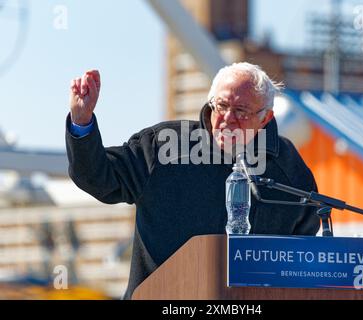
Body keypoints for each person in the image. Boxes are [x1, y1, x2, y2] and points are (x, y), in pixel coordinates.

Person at [66, 62, 320, 299]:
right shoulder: (164, 145)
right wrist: (82, 122)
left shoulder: (286, 167)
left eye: (241, 111)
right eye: (221, 106)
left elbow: (301, 246)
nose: (228, 118)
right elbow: (99, 177)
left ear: (265, 118)